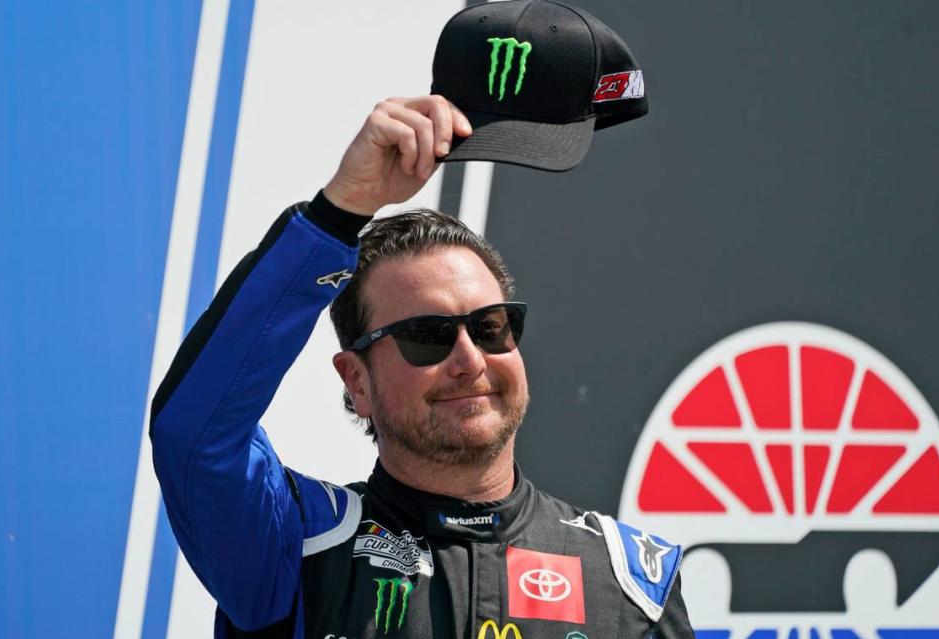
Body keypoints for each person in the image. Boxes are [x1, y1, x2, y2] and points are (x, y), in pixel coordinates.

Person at [151, 94, 695, 638]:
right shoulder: (296, 544)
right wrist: (341, 210)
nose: (469, 359)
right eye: (427, 337)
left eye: (490, 327)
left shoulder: (627, 583)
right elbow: (195, 437)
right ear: (356, 382)